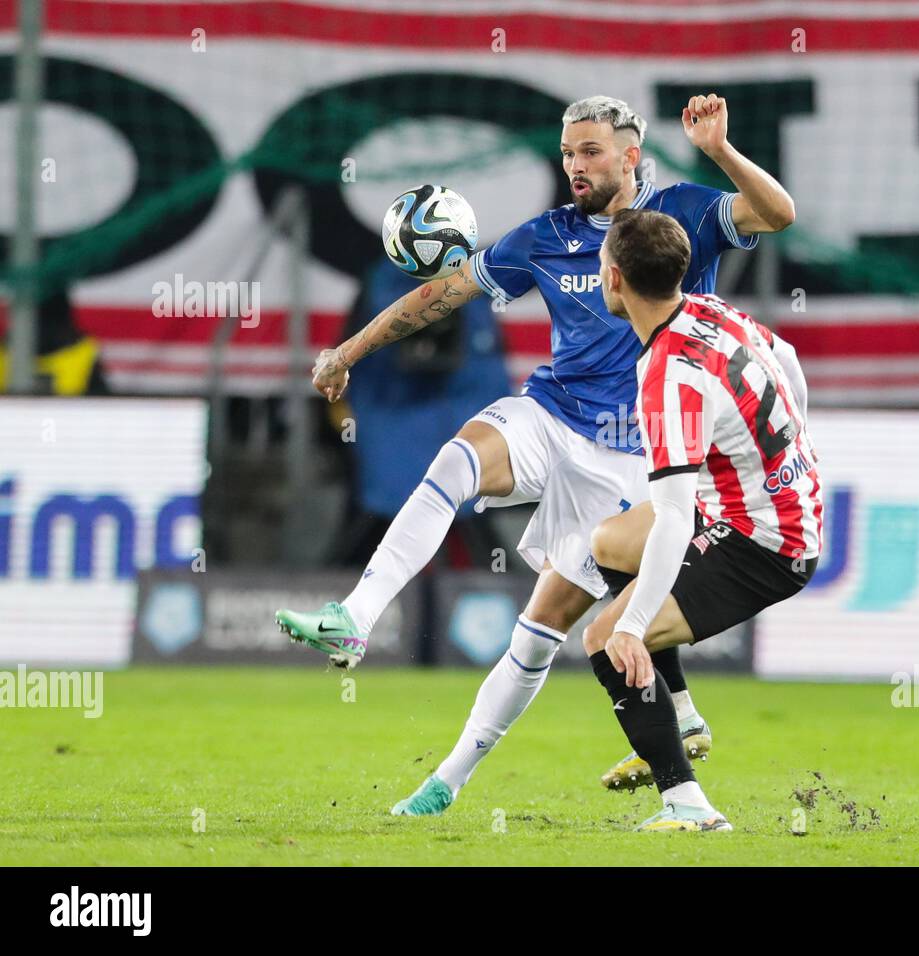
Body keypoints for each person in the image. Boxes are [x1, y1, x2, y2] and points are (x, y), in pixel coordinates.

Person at [274, 94, 797, 817]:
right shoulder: (545, 236)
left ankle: (448, 778)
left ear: (629, 155)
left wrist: (720, 150)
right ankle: (357, 616)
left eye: (589, 151)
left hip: (637, 458)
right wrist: (346, 354)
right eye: (567, 154)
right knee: (457, 458)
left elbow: (776, 214)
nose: (575, 167)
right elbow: (443, 292)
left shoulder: (683, 215)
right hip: (552, 414)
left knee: (547, 627)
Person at [582, 208, 822, 832]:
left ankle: (687, 806)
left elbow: (672, 521)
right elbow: (787, 355)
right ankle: (679, 714)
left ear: (613, 279)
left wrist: (632, 626)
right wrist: (795, 443)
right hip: (775, 506)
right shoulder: (711, 311)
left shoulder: (666, 375)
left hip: (763, 544)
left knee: (605, 642)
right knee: (608, 542)